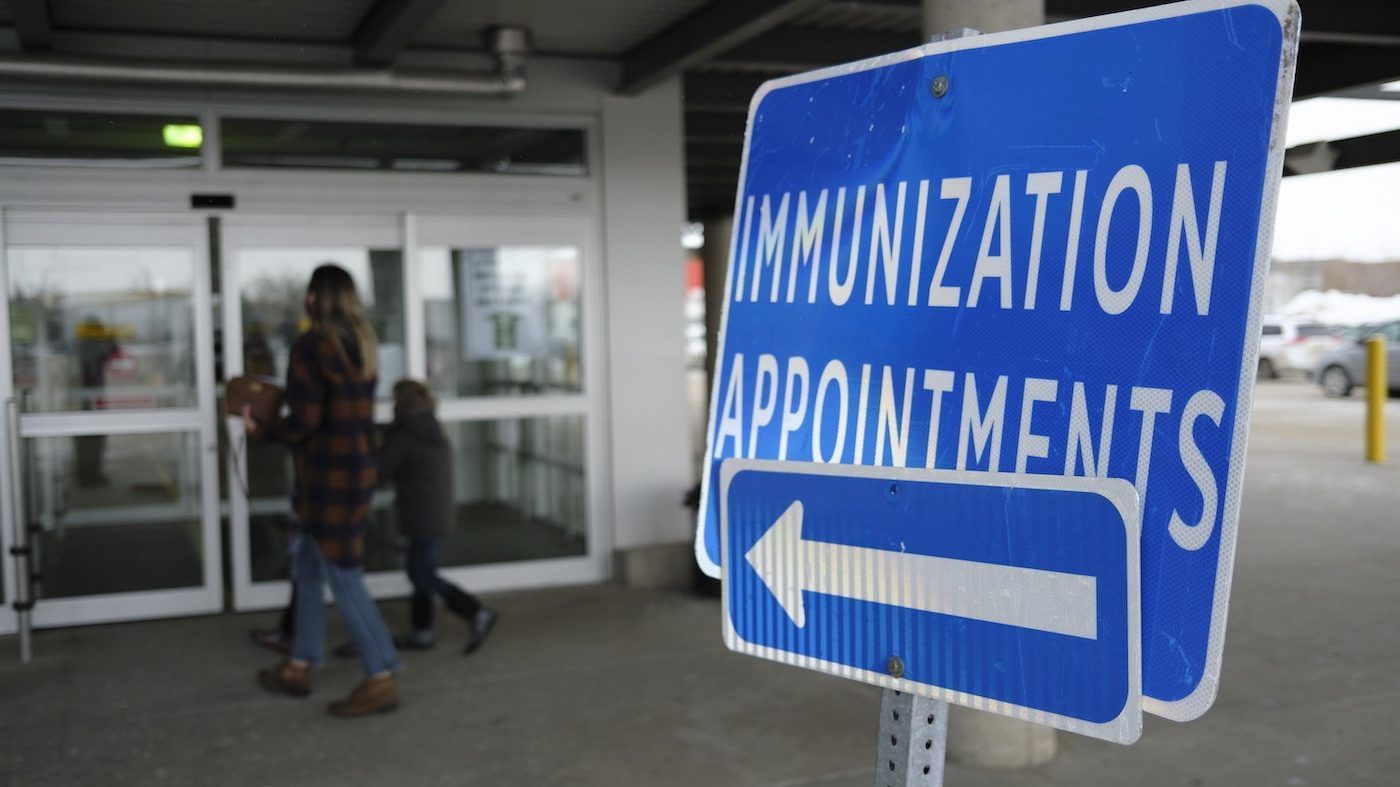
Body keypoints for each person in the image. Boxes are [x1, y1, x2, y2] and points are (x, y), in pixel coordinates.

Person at [243, 264, 402, 718]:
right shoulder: (362, 346)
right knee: (308, 571)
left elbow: (306, 422)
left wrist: (263, 429)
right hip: (354, 472)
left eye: (307, 294)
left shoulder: (313, 346)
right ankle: (298, 664)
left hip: (326, 480)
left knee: (344, 578)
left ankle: (381, 676)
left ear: (314, 298)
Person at [380, 379, 498, 653]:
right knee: (418, 570)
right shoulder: (430, 427)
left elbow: (380, 469)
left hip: (420, 513)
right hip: (435, 510)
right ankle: (423, 631)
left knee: (422, 573)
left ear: (400, 402)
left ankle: (476, 612)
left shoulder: (404, 434)